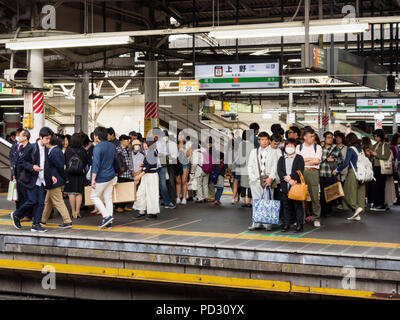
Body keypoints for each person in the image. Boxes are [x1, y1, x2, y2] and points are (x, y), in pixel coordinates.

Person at [11, 127, 54, 233]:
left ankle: (36, 224)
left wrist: (51, 176)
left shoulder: (46, 149)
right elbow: (22, 162)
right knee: (32, 201)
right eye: (47, 139)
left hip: (41, 180)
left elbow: (46, 164)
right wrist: (32, 167)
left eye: (49, 139)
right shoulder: (32, 147)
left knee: (40, 203)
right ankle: (16, 214)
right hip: (31, 179)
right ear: (40, 137)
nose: (48, 141)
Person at [247, 132, 280, 231]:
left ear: (269, 141)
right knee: (256, 201)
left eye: (266, 139)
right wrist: (253, 178)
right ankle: (256, 223)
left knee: (267, 200)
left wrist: (271, 178)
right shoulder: (254, 151)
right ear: (259, 141)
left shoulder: (273, 152)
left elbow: (275, 166)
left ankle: (267, 223)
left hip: (268, 180)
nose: (264, 141)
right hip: (256, 180)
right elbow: (249, 165)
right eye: (262, 139)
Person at [40, 135, 73, 229]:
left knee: (58, 202)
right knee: (48, 202)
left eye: (46, 140)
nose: (45, 142)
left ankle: (67, 221)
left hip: (55, 181)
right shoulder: (54, 150)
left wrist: (64, 177)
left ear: (49, 142)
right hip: (54, 180)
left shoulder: (55, 151)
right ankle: (42, 220)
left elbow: (59, 167)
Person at [333, 133, 366, 221]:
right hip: (362, 173)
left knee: (347, 192)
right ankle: (357, 213)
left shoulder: (351, 149)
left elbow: (346, 163)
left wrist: (336, 170)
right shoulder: (360, 149)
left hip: (353, 172)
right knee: (359, 192)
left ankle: (356, 207)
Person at [90, 126, 118, 228]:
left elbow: (96, 164)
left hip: (101, 177)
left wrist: (93, 179)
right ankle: (109, 222)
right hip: (111, 175)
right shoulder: (111, 145)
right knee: (108, 198)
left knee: (93, 196)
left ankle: (106, 217)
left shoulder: (97, 147)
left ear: (97, 136)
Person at [296, 128, 322, 227]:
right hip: (301, 173)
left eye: (313, 136)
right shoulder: (299, 147)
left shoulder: (317, 147)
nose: (313, 138)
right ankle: (301, 218)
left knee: (315, 196)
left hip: (313, 172)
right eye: (311, 136)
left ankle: (316, 218)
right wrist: (310, 159)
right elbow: (298, 161)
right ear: (305, 137)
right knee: (301, 196)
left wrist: (305, 160)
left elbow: (317, 161)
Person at [278, 139, 305, 232]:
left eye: (292, 146)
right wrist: (287, 179)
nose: (289, 148)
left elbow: (300, 170)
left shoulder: (299, 158)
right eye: (288, 146)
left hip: (295, 184)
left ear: (295, 147)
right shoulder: (281, 158)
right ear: (285, 147)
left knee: (297, 205)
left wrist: (291, 178)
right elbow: (280, 171)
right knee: (286, 205)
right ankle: (286, 224)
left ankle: (299, 224)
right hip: (285, 184)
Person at [133, 139, 160, 219]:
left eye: (145, 144)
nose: (144, 145)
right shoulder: (150, 153)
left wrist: (140, 175)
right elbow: (148, 165)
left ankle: (152, 212)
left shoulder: (152, 153)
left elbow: (149, 167)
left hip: (151, 175)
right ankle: (142, 211)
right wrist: (143, 165)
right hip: (147, 175)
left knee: (151, 193)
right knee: (141, 192)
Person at [64, 133, 89, 219]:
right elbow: (87, 161)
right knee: (79, 193)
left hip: (70, 174)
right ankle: (78, 212)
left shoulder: (68, 150)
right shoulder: (83, 150)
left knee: (71, 193)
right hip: (80, 174)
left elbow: (65, 162)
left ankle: (73, 212)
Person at [319, 131, 343, 216]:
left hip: (330, 173)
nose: (330, 139)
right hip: (320, 173)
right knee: (321, 193)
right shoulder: (319, 148)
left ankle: (328, 211)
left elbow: (341, 160)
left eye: (331, 138)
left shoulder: (335, 148)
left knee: (329, 193)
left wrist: (334, 160)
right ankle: (322, 211)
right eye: (328, 137)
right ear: (324, 139)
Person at [368, 129, 391, 211]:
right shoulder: (375, 145)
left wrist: (376, 154)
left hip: (381, 167)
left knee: (380, 186)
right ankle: (376, 203)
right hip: (375, 167)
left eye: (376, 136)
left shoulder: (385, 145)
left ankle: (380, 204)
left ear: (380, 136)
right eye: (374, 136)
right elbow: (373, 157)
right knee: (375, 186)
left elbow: (386, 156)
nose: (375, 137)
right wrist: (370, 154)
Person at [153, 129, 176, 209]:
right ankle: (152, 205)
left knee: (163, 185)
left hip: (161, 165)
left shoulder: (162, 141)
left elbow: (166, 152)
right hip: (152, 167)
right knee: (153, 186)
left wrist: (162, 154)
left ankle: (167, 202)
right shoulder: (149, 141)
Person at [115, 134, 134, 213]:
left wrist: (132, 169)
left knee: (126, 190)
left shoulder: (127, 149)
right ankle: (118, 206)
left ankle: (126, 205)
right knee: (120, 190)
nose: (128, 142)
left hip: (128, 173)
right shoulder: (118, 149)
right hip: (121, 173)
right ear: (121, 141)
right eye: (127, 140)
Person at [194, 138, 214, 203]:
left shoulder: (198, 152)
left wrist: (192, 171)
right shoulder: (207, 151)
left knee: (199, 184)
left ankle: (200, 198)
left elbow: (195, 163)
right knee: (205, 184)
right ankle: (206, 197)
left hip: (200, 169)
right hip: (207, 170)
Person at [236, 130, 253, 208]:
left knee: (243, 185)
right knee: (250, 185)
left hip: (243, 168)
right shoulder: (251, 145)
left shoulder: (241, 144)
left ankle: (243, 201)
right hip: (251, 168)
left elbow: (239, 157)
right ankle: (249, 201)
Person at [176, 131, 191, 204]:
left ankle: (184, 198)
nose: (180, 136)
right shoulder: (176, 144)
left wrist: (183, 150)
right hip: (178, 164)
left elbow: (188, 155)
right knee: (178, 181)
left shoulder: (187, 144)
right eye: (179, 135)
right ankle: (178, 197)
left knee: (184, 181)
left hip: (185, 163)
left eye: (182, 135)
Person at [390, 133, 400, 206]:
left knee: (396, 184)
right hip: (394, 168)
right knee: (396, 184)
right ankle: (397, 198)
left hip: (395, 168)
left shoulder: (396, 147)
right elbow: (393, 159)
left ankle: (398, 198)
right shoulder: (393, 147)